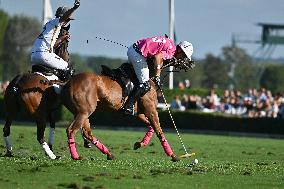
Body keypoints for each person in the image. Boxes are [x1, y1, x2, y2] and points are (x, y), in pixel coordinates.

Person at [121, 35, 193, 115]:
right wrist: (158, 75)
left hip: (135, 50)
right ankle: (128, 106)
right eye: (184, 56)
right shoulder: (171, 51)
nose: (183, 58)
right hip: (138, 54)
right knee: (145, 84)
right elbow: (157, 56)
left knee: (137, 78)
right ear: (179, 50)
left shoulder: (170, 45)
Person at [31, 0, 80, 81]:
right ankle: (65, 92)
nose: (67, 21)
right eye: (68, 20)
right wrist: (74, 8)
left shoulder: (49, 24)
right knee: (67, 68)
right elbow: (64, 17)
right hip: (44, 55)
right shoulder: (56, 21)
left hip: (34, 56)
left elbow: (52, 45)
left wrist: (62, 38)